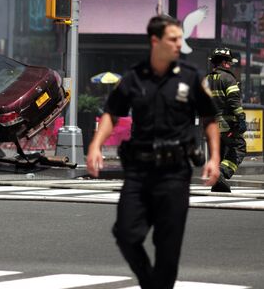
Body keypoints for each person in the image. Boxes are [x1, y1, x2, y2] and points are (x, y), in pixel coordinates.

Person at [86, 15, 221, 289]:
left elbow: (210, 118)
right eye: (173, 39)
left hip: (174, 174)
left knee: (167, 250)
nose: (178, 44)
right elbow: (112, 112)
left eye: (180, 39)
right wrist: (95, 145)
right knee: (125, 234)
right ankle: (150, 284)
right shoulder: (134, 78)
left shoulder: (191, 77)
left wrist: (214, 158)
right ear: (155, 40)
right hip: (139, 172)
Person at [206, 47, 247, 193]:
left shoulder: (206, 79)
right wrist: (241, 118)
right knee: (238, 147)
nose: (230, 65)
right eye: (229, 62)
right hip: (226, 123)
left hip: (210, 125)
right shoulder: (228, 78)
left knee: (220, 151)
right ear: (223, 63)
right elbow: (234, 102)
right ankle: (221, 173)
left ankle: (218, 183)